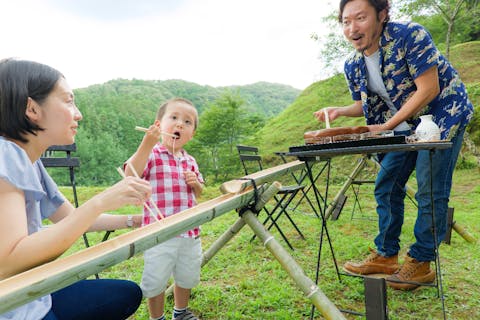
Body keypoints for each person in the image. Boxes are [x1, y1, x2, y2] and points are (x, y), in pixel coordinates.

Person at [314, 0, 473, 290]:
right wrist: (338, 110)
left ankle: (421, 262)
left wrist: (387, 126)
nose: (352, 28)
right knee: (386, 185)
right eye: (346, 21)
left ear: (382, 15)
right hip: (404, 125)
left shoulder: (409, 35)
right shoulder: (353, 63)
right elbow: (366, 104)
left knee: (430, 189)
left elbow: (429, 89)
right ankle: (386, 256)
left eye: (360, 18)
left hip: (442, 117)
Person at [0, 58, 153, 319]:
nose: (78, 113)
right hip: (11, 306)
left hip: (32, 292)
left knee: (126, 294)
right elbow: (9, 261)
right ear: (32, 109)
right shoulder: (6, 155)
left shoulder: (29, 161)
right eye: (68, 101)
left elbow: (73, 219)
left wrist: (136, 220)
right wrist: (100, 201)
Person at [125, 97, 204, 320]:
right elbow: (130, 174)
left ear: (192, 133)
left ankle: (180, 312)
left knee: (186, 275)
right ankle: (156, 317)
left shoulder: (190, 160)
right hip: (159, 233)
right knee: (156, 279)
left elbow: (199, 191)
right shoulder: (152, 154)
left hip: (189, 231)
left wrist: (196, 184)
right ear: (159, 125)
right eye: (174, 118)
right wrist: (146, 143)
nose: (180, 124)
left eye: (187, 122)